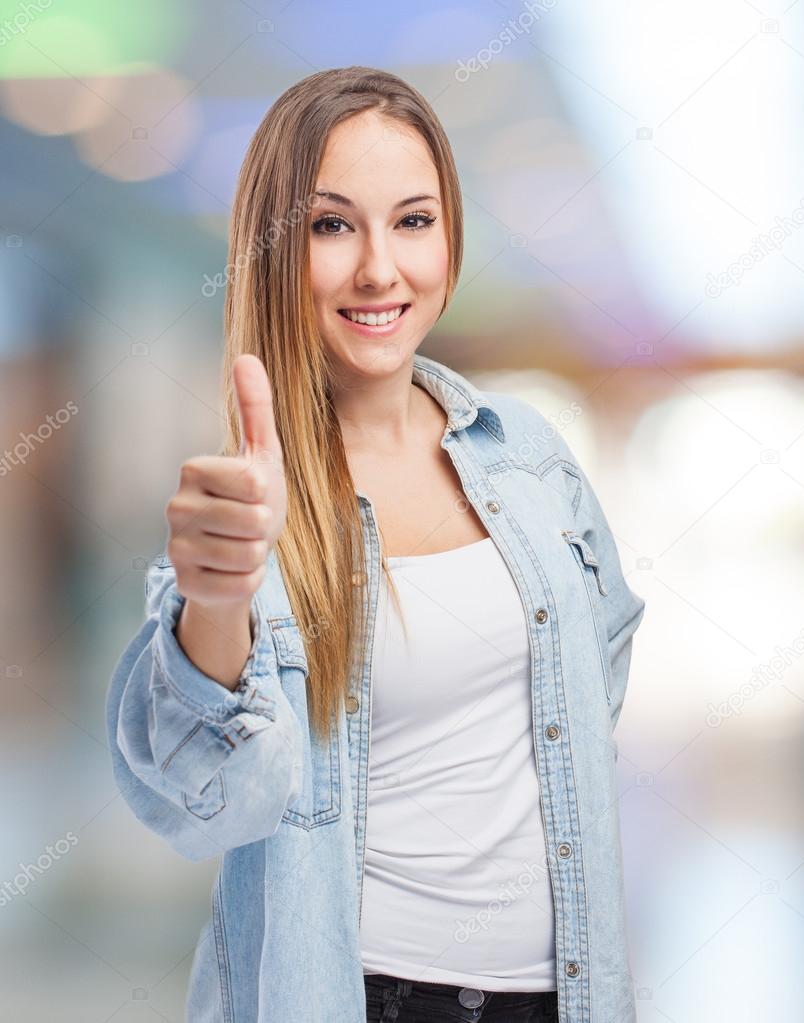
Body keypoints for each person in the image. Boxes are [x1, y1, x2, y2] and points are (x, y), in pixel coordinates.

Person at [105, 66, 646, 1023]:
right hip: (364, 996)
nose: (378, 271)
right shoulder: (251, 509)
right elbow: (207, 806)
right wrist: (219, 600)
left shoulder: (525, 454)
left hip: (566, 992)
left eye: (412, 220)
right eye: (329, 225)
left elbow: (596, 663)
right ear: (273, 247)